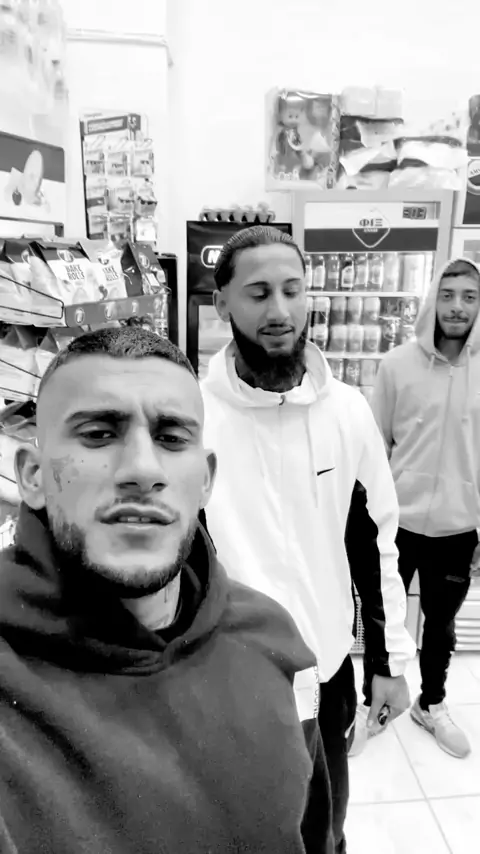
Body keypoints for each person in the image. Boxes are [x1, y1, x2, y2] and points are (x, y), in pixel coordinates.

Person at [0, 326, 335, 854]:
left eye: (172, 438)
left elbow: (315, 831)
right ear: (33, 476)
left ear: (204, 481)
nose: (142, 469)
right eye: (98, 434)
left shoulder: (276, 643)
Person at [200, 225, 416, 854]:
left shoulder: (346, 412)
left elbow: (375, 544)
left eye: (292, 290)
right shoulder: (194, 418)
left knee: (324, 829)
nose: (280, 311)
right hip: (230, 680)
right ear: (222, 303)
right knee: (243, 831)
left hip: (326, 672)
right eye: (258, 293)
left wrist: (388, 663)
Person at [358, 257, 480, 760]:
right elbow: (375, 447)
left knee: (441, 625)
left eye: (469, 296)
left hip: (457, 527)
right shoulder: (396, 366)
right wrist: (364, 520)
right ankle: (372, 705)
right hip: (395, 524)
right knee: (380, 620)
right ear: (433, 301)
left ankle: (431, 704)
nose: (457, 307)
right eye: (448, 295)